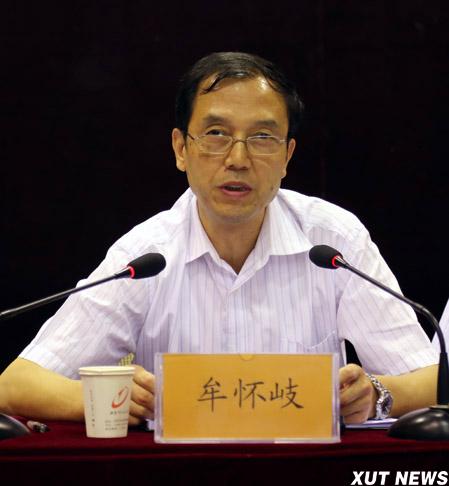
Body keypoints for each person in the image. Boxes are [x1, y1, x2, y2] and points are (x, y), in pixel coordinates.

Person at [0, 52, 438, 426]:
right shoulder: (145, 257)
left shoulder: (334, 242)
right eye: (216, 134)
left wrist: (377, 395)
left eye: (262, 137)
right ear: (181, 149)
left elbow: (433, 380)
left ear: (287, 156)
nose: (238, 159)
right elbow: (15, 384)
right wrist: (102, 399)